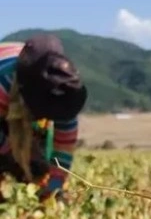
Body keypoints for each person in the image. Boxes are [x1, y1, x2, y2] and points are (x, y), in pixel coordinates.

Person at [0, 34, 87, 202]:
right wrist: (11, 155)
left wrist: (53, 187)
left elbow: (63, 147)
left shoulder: (65, 90)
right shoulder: (3, 84)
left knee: (36, 163)